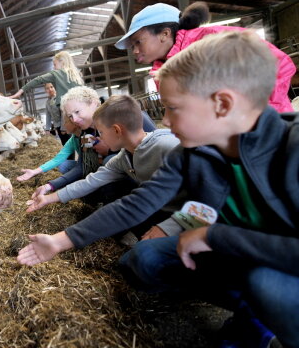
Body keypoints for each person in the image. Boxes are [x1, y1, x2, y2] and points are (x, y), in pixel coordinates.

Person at [17, 31, 299, 347]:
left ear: (222, 104)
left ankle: (259, 323)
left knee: (266, 284)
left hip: (278, 264)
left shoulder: (292, 148)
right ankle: (248, 306)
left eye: (173, 108)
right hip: (233, 250)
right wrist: (59, 241)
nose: (164, 119)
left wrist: (211, 236)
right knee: (142, 261)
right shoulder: (189, 152)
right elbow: (138, 203)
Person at [25, 95, 181, 241]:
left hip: (187, 217)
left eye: (101, 132)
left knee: (144, 256)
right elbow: (90, 180)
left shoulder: (169, 147)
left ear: (116, 130)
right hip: (158, 205)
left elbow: (203, 194)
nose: (99, 137)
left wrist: (167, 227)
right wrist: (48, 197)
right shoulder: (120, 155)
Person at [115, 1, 295, 113]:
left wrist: (262, 116)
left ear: (164, 33)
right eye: (132, 46)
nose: (135, 51)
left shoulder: (211, 40)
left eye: (138, 42)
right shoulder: (161, 69)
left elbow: (279, 63)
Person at [17, 117, 81, 182]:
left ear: (74, 123)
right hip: (82, 165)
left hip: (88, 167)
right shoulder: (73, 140)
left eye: (65, 122)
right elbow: (57, 160)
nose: (63, 125)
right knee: (63, 165)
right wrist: (34, 171)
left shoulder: (88, 136)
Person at [8, 51, 83, 105]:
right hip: (81, 104)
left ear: (62, 62)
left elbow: (38, 80)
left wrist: (20, 92)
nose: (54, 67)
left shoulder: (56, 74)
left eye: (55, 64)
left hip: (68, 107)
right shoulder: (77, 75)